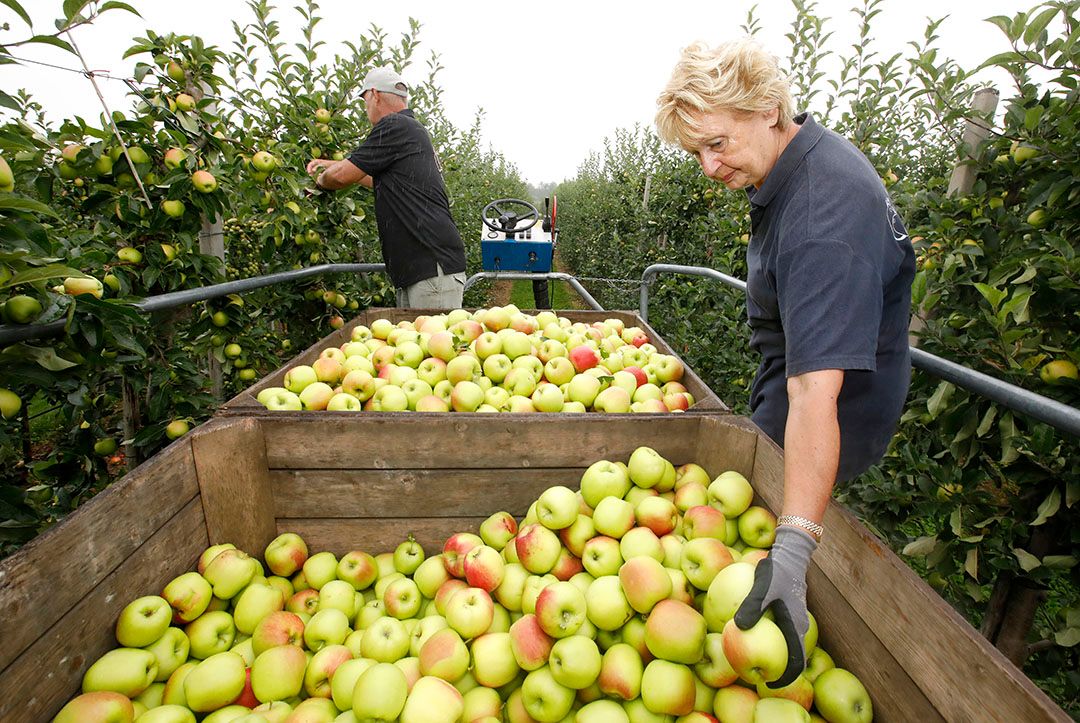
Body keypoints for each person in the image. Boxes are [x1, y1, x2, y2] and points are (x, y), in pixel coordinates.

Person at [655, 39, 915, 687]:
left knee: (773, 584)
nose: (709, 167)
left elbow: (815, 396)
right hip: (796, 399)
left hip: (825, 430)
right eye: (696, 154)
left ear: (768, 108)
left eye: (717, 143)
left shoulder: (822, 215)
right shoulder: (789, 168)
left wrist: (794, 543)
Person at [306, 67, 467, 309]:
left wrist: (319, 182)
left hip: (431, 269)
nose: (365, 108)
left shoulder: (394, 125)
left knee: (434, 345)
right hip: (421, 270)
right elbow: (376, 179)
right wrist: (334, 165)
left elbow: (339, 178)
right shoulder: (411, 130)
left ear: (374, 94)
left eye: (364, 101)